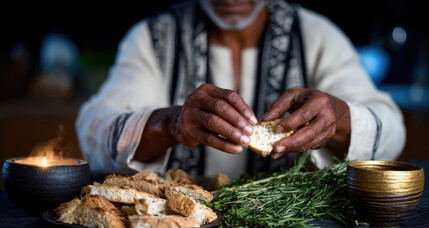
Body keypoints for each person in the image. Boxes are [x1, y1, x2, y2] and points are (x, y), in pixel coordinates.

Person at [76, 0, 406, 179]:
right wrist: (172, 123)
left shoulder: (315, 36)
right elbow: (95, 128)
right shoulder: (153, 39)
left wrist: (338, 117)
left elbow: (390, 131)